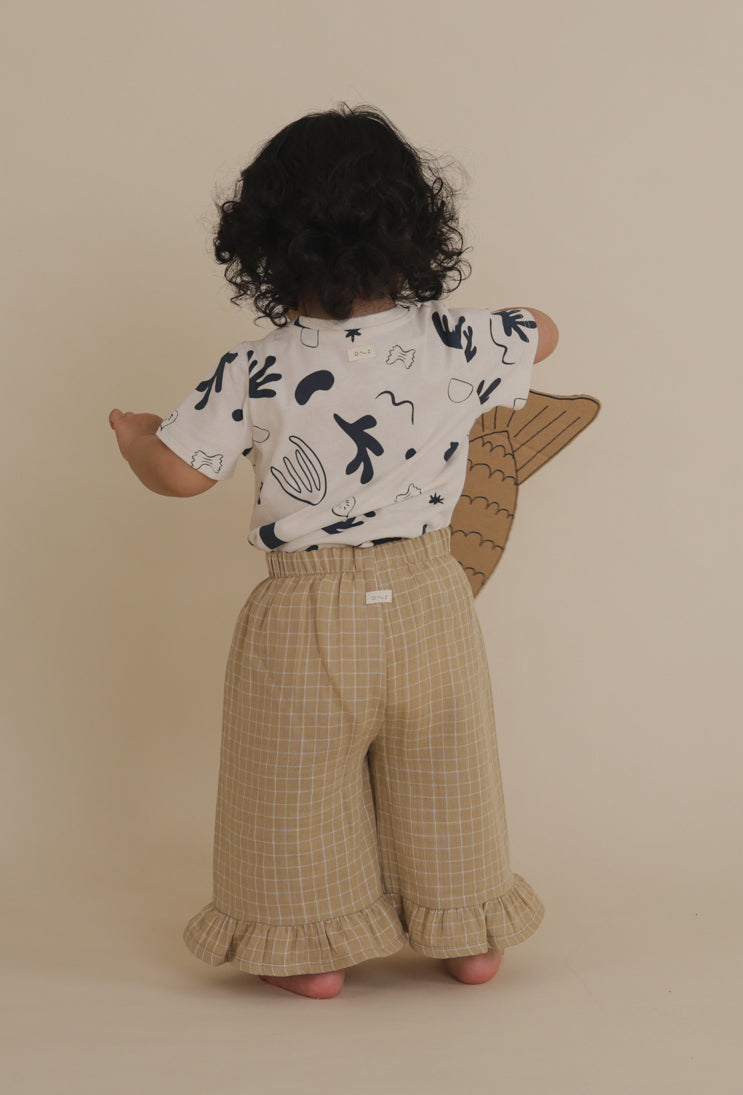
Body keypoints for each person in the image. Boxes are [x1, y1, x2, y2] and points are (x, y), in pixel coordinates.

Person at [109, 104, 559, 1000]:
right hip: (433, 595)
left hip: (307, 613)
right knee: (447, 772)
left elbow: (180, 473)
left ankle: (312, 952)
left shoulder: (256, 369)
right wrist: (473, 324)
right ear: (416, 231)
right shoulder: (457, 341)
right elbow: (542, 330)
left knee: (292, 785)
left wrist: (133, 437)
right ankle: (469, 936)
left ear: (265, 246)